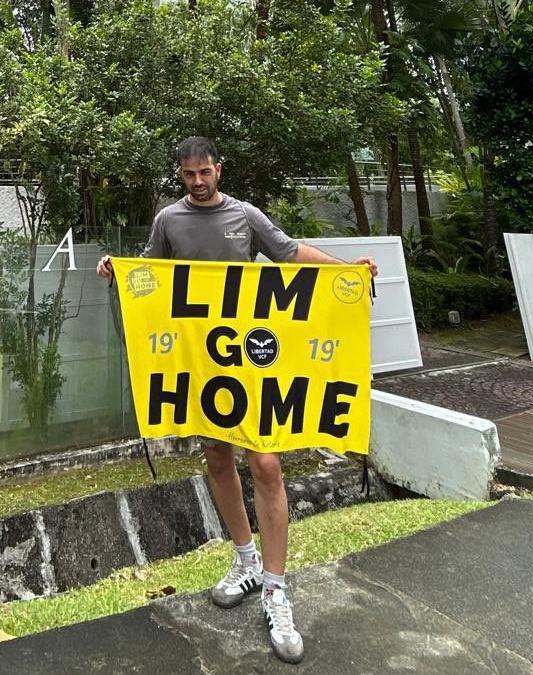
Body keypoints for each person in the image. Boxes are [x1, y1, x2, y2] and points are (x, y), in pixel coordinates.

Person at [96, 136, 378, 664]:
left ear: (218, 170)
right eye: (189, 176)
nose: (198, 183)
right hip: (205, 367)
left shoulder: (245, 215)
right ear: (179, 175)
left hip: (252, 363)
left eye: (205, 173)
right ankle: (245, 560)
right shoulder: (169, 221)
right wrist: (119, 270)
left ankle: (275, 589)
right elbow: (151, 277)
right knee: (218, 458)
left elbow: (291, 254)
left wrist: (347, 271)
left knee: (266, 464)